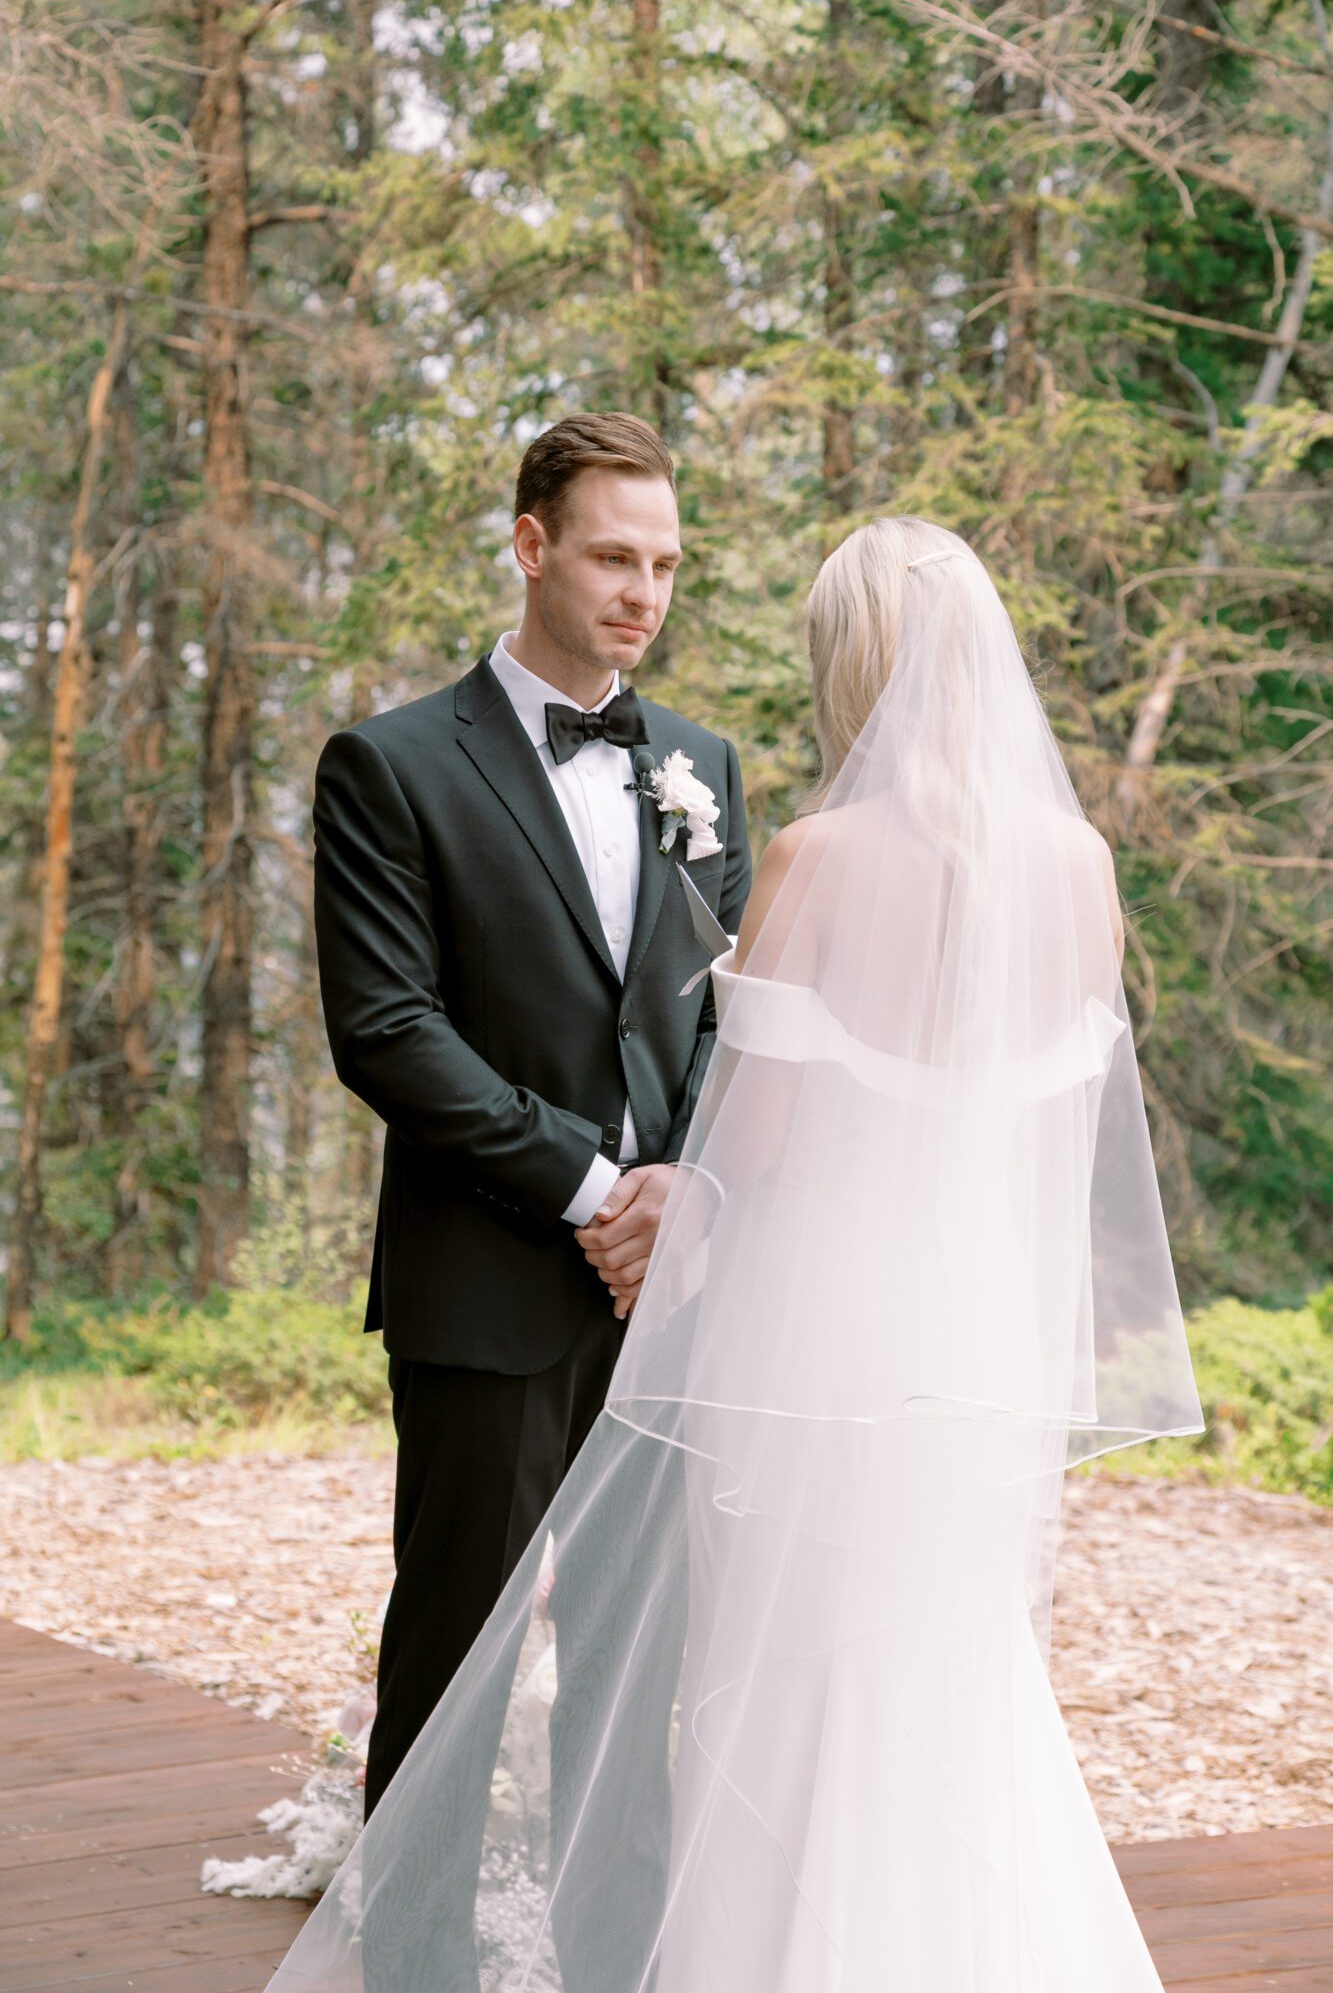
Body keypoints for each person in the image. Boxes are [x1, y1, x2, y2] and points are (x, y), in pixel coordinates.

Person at [274, 517, 1202, 1993]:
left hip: (819, 1341)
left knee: (779, 1681)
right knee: (951, 1677)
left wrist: (653, 1221)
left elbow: (742, 1143)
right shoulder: (1077, 869)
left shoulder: (828, 856)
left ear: (861, 665)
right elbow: (1053, 1140)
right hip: (973, 1346)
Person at [310, 411, 752, 1977]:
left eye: (667, 565)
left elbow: (723, 1022)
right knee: (454, 1671)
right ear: (530, 546)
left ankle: (614, 1959)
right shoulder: (392, 764)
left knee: (639, 1670)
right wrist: (590, 1189)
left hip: (666, 1307)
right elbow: (386, 1031)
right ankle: (411, 1967)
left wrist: (679, 1198)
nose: (645, 593)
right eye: (615, 557)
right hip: (486, 1287)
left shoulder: (700, 766)